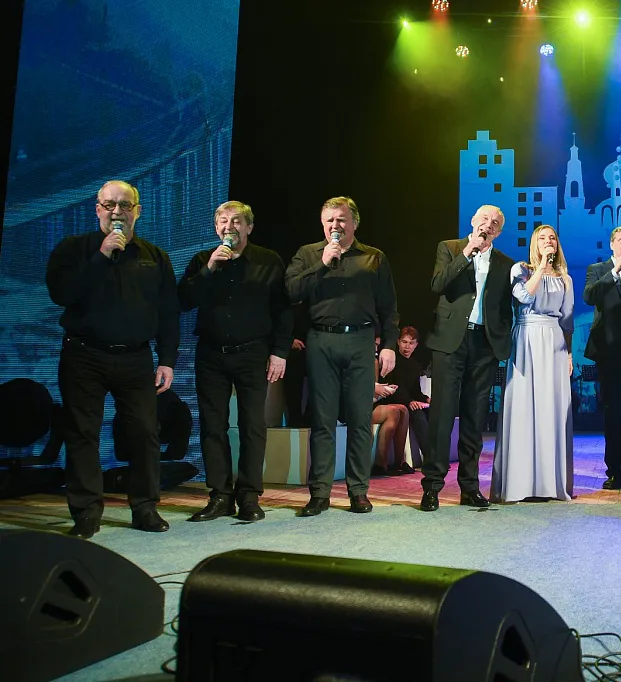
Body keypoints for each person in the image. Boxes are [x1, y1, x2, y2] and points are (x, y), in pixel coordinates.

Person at [45, 180, 179, 538]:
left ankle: (145, 507)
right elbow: (61, 293)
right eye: (109, 205)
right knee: (82, 433)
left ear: (138, 211)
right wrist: (102, 256)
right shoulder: (74, 249)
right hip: (83, 354)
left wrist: (167, 359)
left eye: (125, 205)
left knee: (144, 432)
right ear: (97, 209)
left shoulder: (155, 256)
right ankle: (87, 512)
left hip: (135, 358)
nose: (117, 211)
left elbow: (168, 312)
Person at [178, 200, 293, 523]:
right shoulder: (203, 260)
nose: (229, 227)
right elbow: (183, 300)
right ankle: (220, 496)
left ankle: (249, 496)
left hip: (253, 352)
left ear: (249, 227)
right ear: (216, 228)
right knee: (212, 425)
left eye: (236, 221)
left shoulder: (268, 260)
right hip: (211, 353)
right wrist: (209, 269)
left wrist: (280, 352)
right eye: (223, 222)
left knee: (252, 425)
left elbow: (283, 310)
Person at [285, 196, 399, 516]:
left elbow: (389, 306)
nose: (335, 225)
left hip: (361, 341)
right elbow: (291, 291)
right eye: (329, 220)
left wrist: (389, 345)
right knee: (322, 420)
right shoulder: (308, 254)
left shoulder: (374, 257)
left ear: (354, 223)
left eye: (341, 219)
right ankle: (319, 493)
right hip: (321, 340)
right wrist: (322, 263)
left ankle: (358, 491)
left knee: (360, 419)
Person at [420, 205, 514, 511]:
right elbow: (438, 284)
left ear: (499, 231)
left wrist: (500, 339)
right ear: (473, 221)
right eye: (484, 219)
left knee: (475, 418)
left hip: (484, 345)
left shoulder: (505, 263)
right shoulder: (450, 248)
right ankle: (432, 486)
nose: (489, 225)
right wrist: (467, 253)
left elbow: (504, 308)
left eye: (495, 223)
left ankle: (470, 487)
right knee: (442, 415)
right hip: (450, 342)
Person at [491, 225, 575, 503]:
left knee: (552, 407)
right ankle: (520, 483)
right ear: (534, 244)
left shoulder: (565, 278)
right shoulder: (521, 269)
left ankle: (550, 484)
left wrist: (569, 354)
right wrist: (541, 268)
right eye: (543, 238)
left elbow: (567, 319)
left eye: (552, 238)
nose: (548, 242)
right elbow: (524, 296)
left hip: (554, 341)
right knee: (523, 406)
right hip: (526, 338)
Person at [583, 226, 621, 490]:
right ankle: (615, 469)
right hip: (610, 349)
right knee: (614, 410)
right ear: (612, 245)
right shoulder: (599, 269)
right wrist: (615, 271)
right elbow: (590, 296)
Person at [371, 326, 430, 475]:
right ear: (398, 342)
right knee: (412, 413)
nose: (407, 346)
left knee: (429, 411)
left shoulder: (415, 366)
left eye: (411, 343)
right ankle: (429, 459)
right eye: (404, 342)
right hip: (389, 399)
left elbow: (415, 391)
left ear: (416, 345)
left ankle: (402, 462)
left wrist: (426, 399)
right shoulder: (390, 360)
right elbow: (390, 386)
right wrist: (409, 401)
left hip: (401, 400)